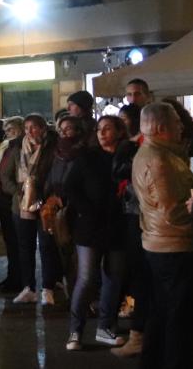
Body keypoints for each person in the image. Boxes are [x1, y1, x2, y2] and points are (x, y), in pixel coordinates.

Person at [133, 103, 193, 369]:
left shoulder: (159, 153)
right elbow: (173, 211)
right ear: (161, 128)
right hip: (175, 246)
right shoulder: (160, 160)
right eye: (176, 122)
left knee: (164, 313)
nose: (181, 126)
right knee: (179, 319)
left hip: (163, 243)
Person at [60, 115, 131, 351]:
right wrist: (86, 210)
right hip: (89, 226)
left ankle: (105, 326)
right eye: (99, 129)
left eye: (107, 128)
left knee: (114, 276)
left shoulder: (127, 158)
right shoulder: (87, 157)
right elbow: (70, 186)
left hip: (118, 225)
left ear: (119, 132)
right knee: (87, 277)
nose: (102, 133)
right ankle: (75, 330)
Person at [8, 115, 64, 305]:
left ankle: (47, 288)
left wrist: (42, 192)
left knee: (47, 246)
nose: (30, 132)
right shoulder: (17, 148)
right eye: (26, 128)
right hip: (22, 206)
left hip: (45, 204)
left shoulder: (53, 148)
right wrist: (20, 192)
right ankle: (28, 288)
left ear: (43, 128)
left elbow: (57, 174)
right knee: (25, 246)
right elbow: (5, 175)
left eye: (33, 127)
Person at [111, 104, 149, 357]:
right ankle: (138, 332)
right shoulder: (133, 148)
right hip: (137, 217)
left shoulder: (160, 150)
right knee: (140, 273)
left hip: (155, 226)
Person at [0, 117, 26, 294]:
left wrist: (14, 191)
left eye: (11, 128)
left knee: (16, 242)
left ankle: (18, 278)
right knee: (10, 242)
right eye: (6, 129)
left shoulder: (19, 147)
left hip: (13, 199)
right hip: (4, 199)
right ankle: (12, 276)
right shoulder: (6, 146)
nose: (8, 132)